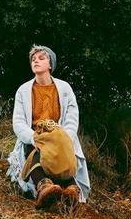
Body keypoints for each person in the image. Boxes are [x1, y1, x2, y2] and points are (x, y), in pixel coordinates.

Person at [6, 44, 91, 210]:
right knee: (36, 150)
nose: (36, 61)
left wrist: (63, 138)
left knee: (62, 154)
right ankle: (44, 187)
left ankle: (72, 191)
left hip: (60, 136)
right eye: (33, 59)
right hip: (34, 137)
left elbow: (72, 119)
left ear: (50, 64)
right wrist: (33, 138)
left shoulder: (65, 88)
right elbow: (18, 122)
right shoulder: (23, 90)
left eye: (41, 58)